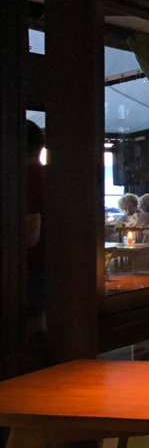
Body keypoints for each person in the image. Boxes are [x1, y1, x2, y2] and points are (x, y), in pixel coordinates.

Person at [26, 121, 46, 336]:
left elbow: (30, 236)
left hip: (30, 269)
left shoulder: (26, 179)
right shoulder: (50, 177)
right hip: (49, 267)